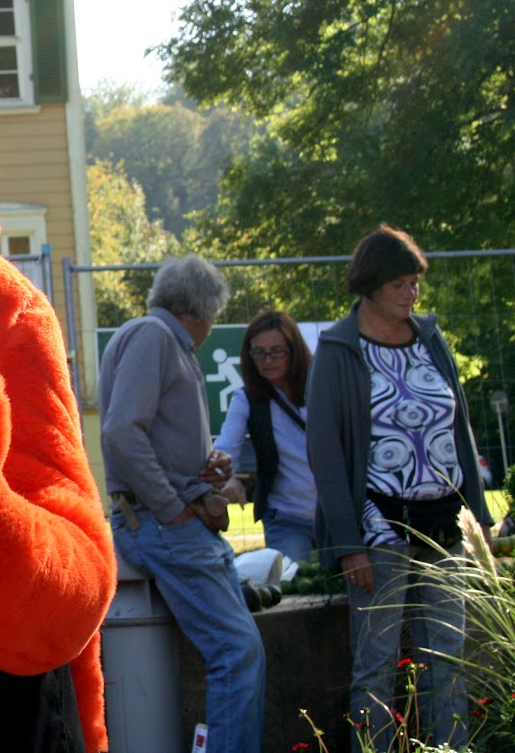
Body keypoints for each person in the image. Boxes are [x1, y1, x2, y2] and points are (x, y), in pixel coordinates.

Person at [307, 224, 493, 751]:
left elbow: (460, 429)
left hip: (445, 523)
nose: (411, 294)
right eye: (400, 285)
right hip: (377, 525)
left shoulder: (431, 338)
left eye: (415, 283)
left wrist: (475, 514)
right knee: (376, 664)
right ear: (369, 286)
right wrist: (349, 547)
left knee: (449, 657)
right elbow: (325, 454)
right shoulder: (339, 351)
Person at [100, 254, 266, 753]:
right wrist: (173, 506)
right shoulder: (155, 338)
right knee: (236, 654)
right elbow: (122, 433)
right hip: (163, 524)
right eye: (215, 315)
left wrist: (204, 462)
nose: (214, 327)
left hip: (160, 519)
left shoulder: (154, 338)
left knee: (236, 652)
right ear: (204, 308)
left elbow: (136, 431)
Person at [214, 309, 319, 563]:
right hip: (285, 518)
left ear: (294, 351)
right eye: (259, 353)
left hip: (339, 516)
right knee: (292, 593)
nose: (267, 361)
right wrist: (226, 479)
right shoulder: (247, 399)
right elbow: (225, 450)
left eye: (277, 352)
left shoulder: (322, 387)